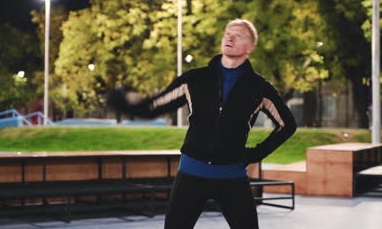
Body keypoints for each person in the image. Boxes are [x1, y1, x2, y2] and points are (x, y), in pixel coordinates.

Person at [108, 19, 297, 229]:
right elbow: (154, 105)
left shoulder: (259, 87)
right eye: (228, 33)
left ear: (250, 47)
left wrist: (255, 155)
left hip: (232, 177)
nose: (230, 37)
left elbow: (287, 125)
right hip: (191, 175)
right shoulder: (196, 79)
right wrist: (124, 103)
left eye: (239, 35)